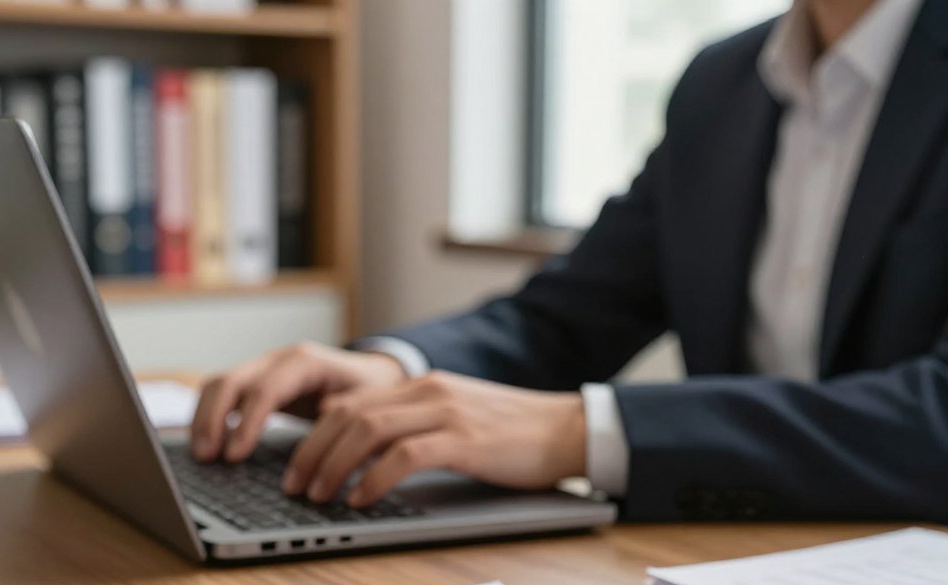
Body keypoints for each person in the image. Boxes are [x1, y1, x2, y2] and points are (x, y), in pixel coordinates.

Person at [192, 0, 948, 522]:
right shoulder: (722, 82)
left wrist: (579, 433)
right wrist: (399, 369)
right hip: (733, 559)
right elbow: (568, 315)